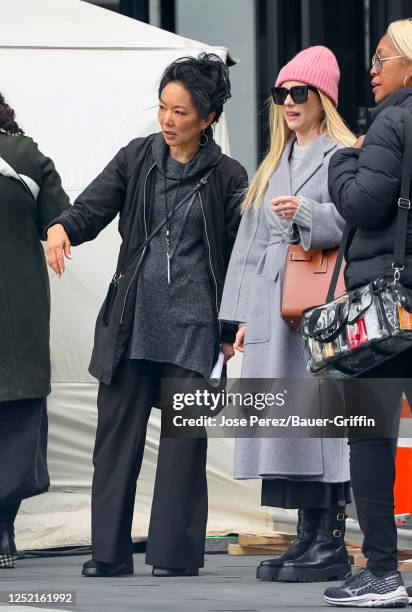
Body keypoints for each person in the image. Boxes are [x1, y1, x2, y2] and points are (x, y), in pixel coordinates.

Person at [46, 53, 247, 578]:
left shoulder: (228, 176)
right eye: (163, 107)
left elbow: (240, 257)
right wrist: (64, 227)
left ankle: (174, 556)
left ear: (207, 119)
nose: (168, 119)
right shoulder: (136, 158)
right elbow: (92, 207)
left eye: (181, 112)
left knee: (183, 450)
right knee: (115, 442)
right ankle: (108, 553)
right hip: (132, 322)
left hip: (195, 327)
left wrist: (229, 328)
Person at [219, 46, 356, 583]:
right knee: (285, 422)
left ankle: (329, 537)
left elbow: (356, 220)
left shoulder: (343, 152)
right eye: (282, 94)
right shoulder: (274, 161)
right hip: (271, 308)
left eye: (300, 93)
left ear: (323, 99)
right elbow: (248, 246)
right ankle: (306, 534)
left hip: (320, 304)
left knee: (321, 423)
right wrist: (234, 321)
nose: (289, 103)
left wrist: (309, 214)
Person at [324, 18, 412, 608]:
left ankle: (382, 571)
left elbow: (363, 202)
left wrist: (341, 162)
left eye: (382, 58)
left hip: (388, 303)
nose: (372, 70)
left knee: (370, 435)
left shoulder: (391, 122)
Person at [0, 93, 70, 568]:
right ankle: (3, 529)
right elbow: (63, 218)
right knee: (19, 421)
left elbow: (64, 221)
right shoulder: (24, 155)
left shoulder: (23, 157)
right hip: (17, 315)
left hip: (15, 312)